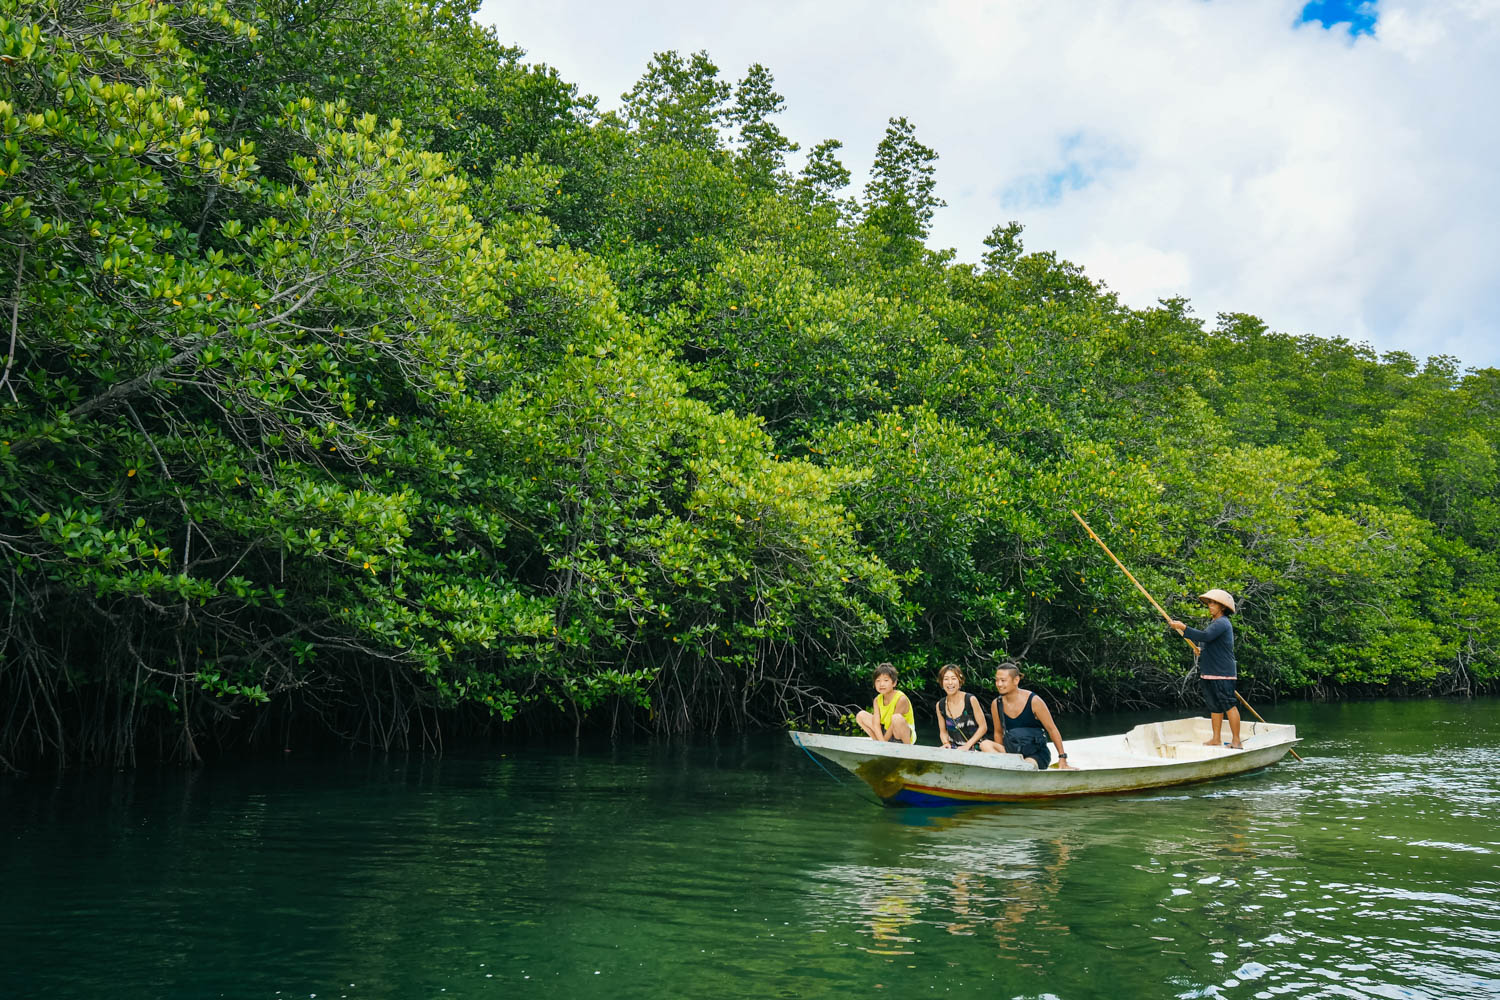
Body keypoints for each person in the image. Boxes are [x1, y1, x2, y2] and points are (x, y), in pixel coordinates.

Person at [1168, 588, 1242, 749]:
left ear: (1222, 607)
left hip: (1222, 673)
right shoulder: (1214, 624)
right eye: (1209, 603)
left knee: (1228, 705)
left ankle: (1236, 741)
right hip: (1209, 673)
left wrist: (1183, 628)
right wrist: (1201, 650)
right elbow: (1210, 643)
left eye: (1213, 603)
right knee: (1214, 706)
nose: (1210, 606)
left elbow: (1206, 636)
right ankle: (1216, 738)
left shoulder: (1222, 623)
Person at [978, 663, 1074, 770]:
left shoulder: (1034, 701)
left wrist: (1062, 757)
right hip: (1012, 752)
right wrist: (1001, 758)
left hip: (1035, 754)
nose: (999, 684)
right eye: (997, 680)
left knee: (1026, 766)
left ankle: (1015, 767)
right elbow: (998, 732)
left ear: (1016, 680)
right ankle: (1006, 766)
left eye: (1003, 680)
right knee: (985, 744)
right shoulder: (996, 704)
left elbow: (1052, 729)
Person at [856, 662, 917, 744]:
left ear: (894, 683)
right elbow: (876, 724)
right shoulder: (877, 700)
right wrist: (882, 742)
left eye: (886, 680)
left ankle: (907, 750)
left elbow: (892, 725)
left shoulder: (901, 699)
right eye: (878, 681)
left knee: (896, 718)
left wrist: (884, 742)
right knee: (861, 715)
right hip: (885, 732)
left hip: (900, 734)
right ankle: (877, 743)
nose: (881, 684)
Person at [934, 663, 987, 751]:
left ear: (960, 681)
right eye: (946, 679)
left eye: (953, 678)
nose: (950, 683)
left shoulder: (970, 699)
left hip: (976, 747)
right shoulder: (940, 705)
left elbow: (983, 727)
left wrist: (967, 746)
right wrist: (946, 743)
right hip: (954, 748)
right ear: (942, 683)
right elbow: (943, 732)